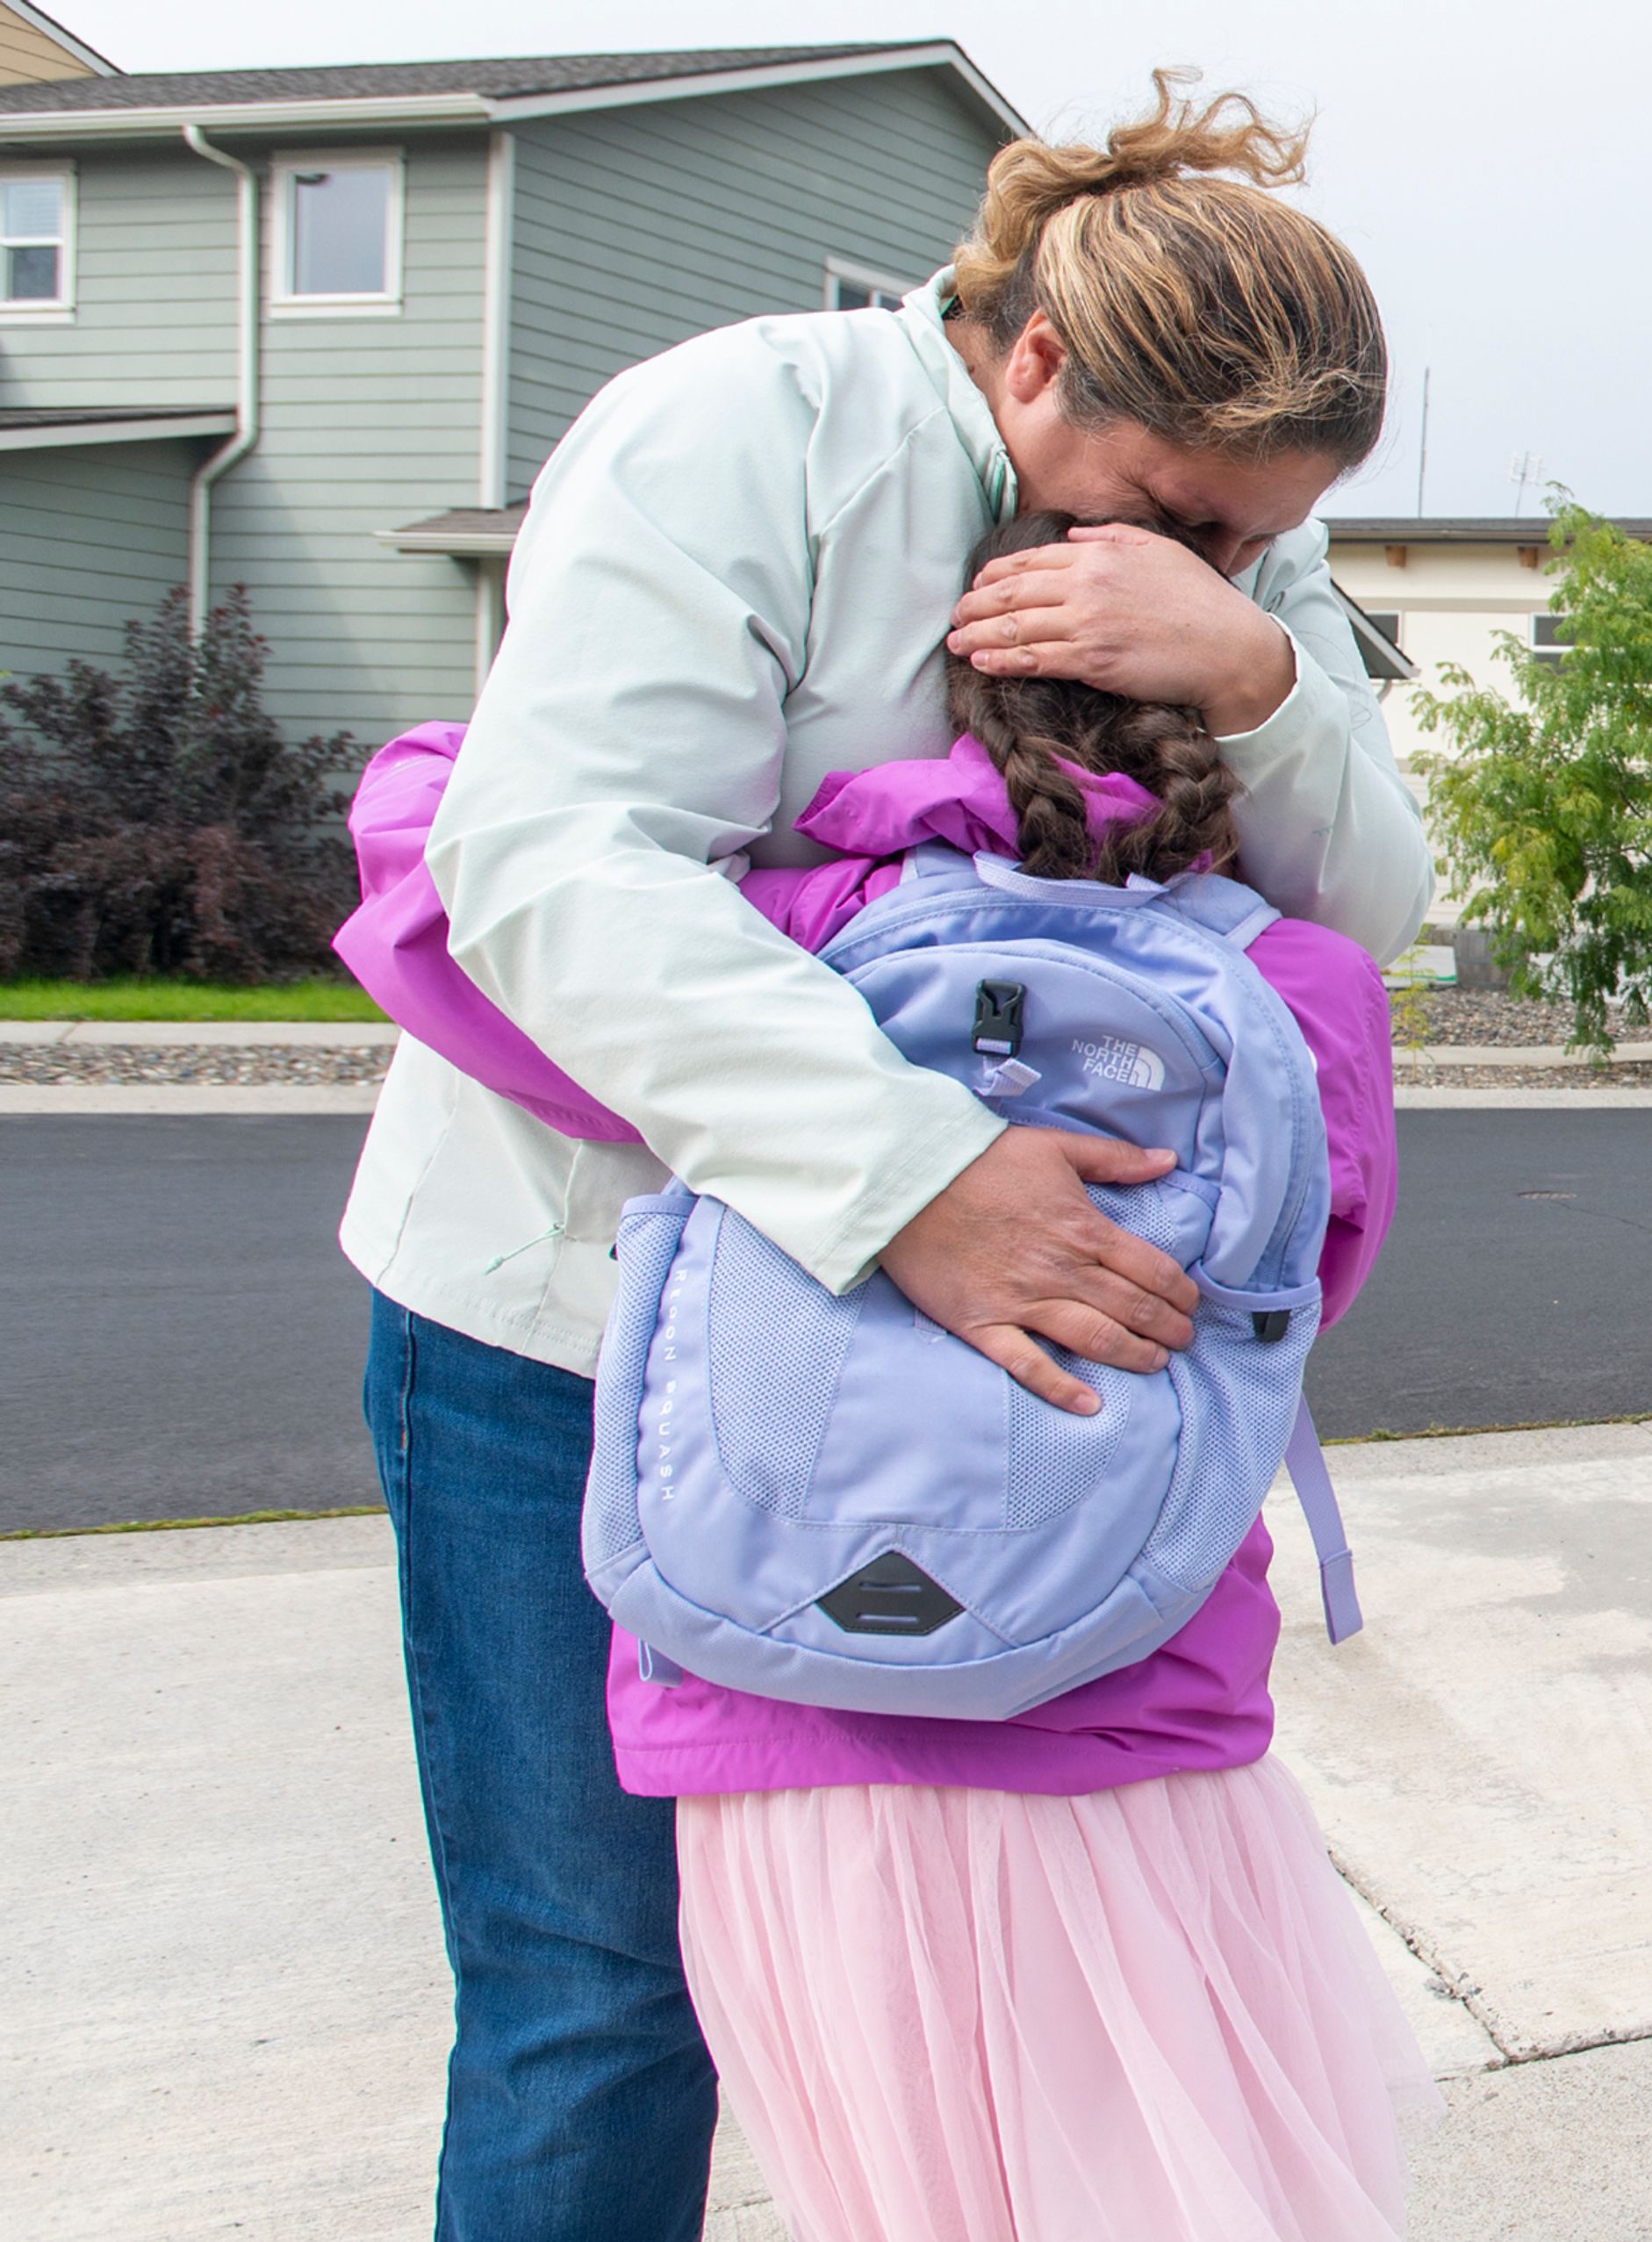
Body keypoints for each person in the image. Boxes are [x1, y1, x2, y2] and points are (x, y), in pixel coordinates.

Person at [339, 76, 1432, 2240]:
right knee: (598, 1989)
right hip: (561, 1324)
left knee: (911, 1977)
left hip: (929, 1381)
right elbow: (550, 871)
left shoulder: (1234, 557)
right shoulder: (738, 436)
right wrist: (918, 1178)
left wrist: (1268, 679)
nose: (1199, 558)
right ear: (1031, 356)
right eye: (1177, 512)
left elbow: (1361, 916)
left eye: (1255, 536)